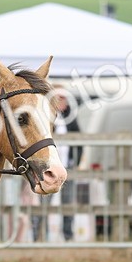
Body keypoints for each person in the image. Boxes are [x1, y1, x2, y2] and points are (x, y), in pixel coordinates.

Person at [51, 92, 82, 242]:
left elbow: (79, 139)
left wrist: (75, 162)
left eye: (63, 98)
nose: (61, 101)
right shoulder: (46, 116)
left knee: (68, 202)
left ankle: (68, 235)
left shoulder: (71, 118)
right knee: (43, 204)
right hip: (48, 167)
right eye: (58, 98)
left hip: (66, 167)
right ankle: (39, 236)